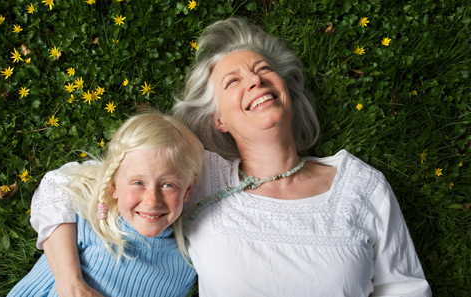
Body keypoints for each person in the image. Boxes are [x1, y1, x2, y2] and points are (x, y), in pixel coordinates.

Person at [31, 17, 432, 296]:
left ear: (286, 90)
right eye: (233, 81)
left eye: (263, 70)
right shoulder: (200, 176)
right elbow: (66, 186)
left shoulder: (361, 184)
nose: (255, 80)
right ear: (218, 119)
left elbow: (405, 288)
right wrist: (71, 286)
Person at [9, 112, 203, 297]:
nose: (152, 200)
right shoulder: (91, 220)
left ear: (187, 190)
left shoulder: (185, 267)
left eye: (168, 185)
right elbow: (56, 184)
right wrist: (72, 284)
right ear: (113, 187)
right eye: (138, 183)